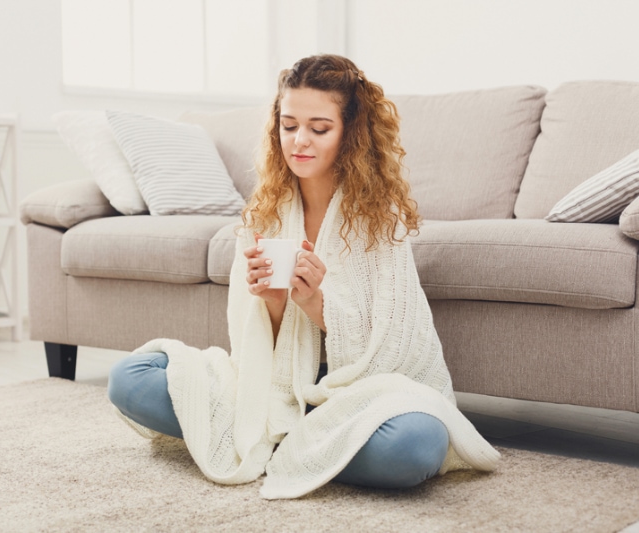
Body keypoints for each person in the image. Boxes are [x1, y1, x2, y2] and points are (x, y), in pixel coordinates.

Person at [108, 54, 499, 500]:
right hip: (274, 388)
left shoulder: (377, 217)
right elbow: (252, 348)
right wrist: (272, 300)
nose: (300, 142)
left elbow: (394, 344)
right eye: (289, 125)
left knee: (414, 445)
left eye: (319, 128)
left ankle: (281, 443)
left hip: (355, 393)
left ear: (350, 133)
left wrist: (316, 303)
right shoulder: (266, 211)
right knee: (129, 377)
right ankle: (298, 442)